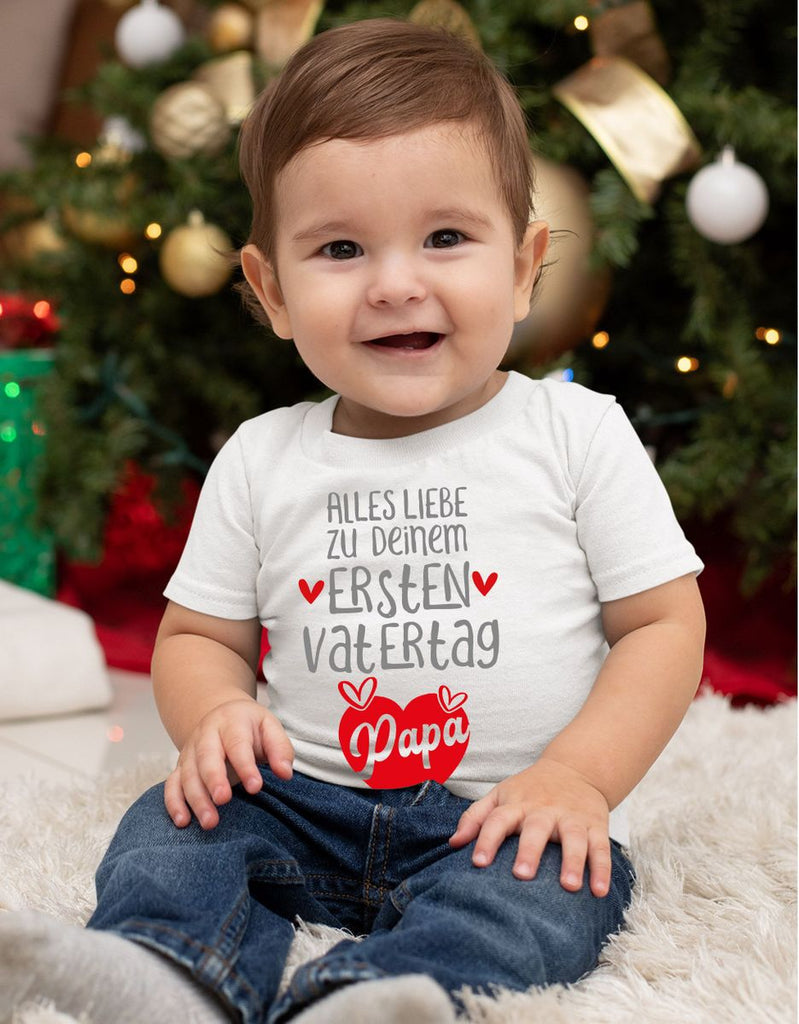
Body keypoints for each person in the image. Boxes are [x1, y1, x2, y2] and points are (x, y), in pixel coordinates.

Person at [0, 19, 706, 1024]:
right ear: (272, 290)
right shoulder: (262, 455)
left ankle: (372, 999)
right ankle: (168, 971)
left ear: (524, 263)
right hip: (298, 797)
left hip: (495, 818)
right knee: (168, 827)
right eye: (339, 248)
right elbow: (200, 636)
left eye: (446, 237)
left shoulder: (574, 432)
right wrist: (215, 720)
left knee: (561, 891)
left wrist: (575, 778)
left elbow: (663, 624)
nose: (393, 282)